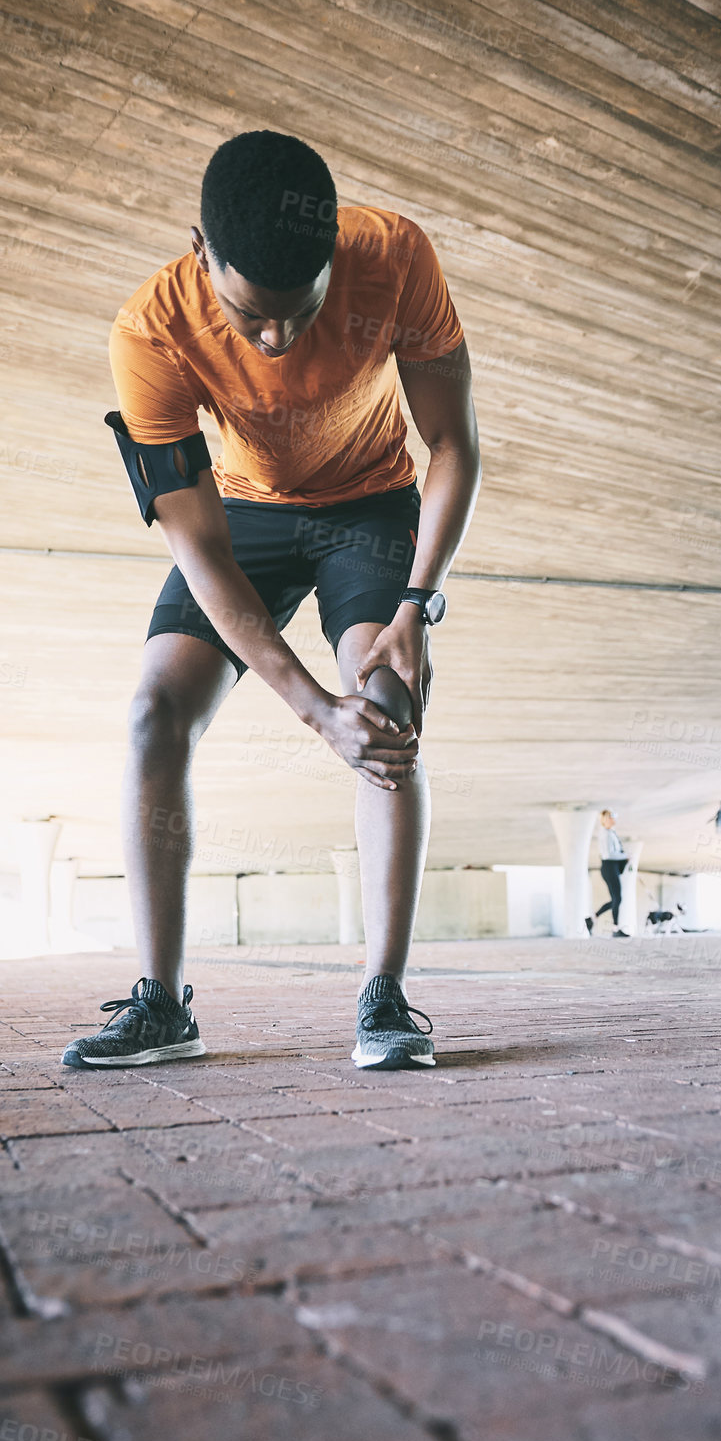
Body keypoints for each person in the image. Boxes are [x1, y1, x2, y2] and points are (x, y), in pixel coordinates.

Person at [61, 131, 480, 1072]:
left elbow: (452, 444)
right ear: (200, 252)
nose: (275, 339)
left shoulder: (397, 256)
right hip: (239, 516)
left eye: (300, 311)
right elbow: (200, 546)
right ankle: (163, 1006)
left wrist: (418, 600)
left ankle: (385, 996)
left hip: (370, 503)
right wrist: (306, 709)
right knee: (151, 713)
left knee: (382, 710)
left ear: (335, 256)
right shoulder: (150, 330)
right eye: (251, 316)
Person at [586, 809, 629, 937]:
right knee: (618, 898)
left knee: (616, 899)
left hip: (612, 867)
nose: (613, 819)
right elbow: (608, 854)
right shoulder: (605, 834)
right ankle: (615, 929)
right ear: (605, 820)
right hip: (609, 866)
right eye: (611, 817)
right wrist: (625, 856)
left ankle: (592, 918)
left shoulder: (611, 833)